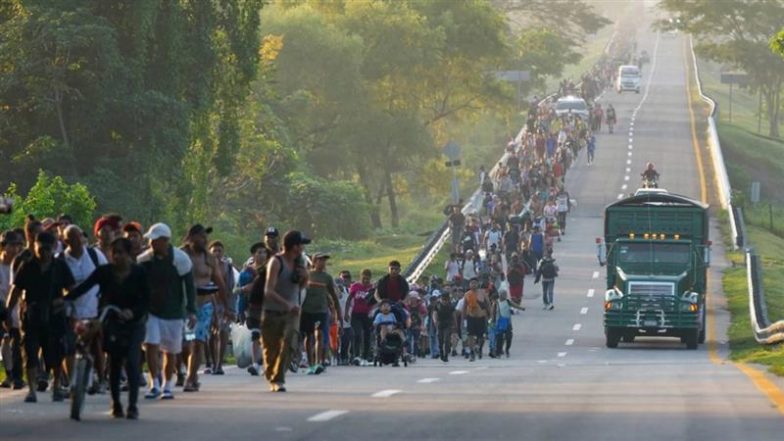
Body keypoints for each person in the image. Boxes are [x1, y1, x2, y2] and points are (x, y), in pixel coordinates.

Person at [65, 238, 150, 419]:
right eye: (114, 252)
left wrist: (132, 313)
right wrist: (64, 299)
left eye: (121, 253)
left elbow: (146, 300)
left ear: (129, 255)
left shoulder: (139, 272)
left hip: (134, 323)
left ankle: (133, 405)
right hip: (110, 319)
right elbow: (84, 287)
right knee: (115, 361)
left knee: (133, 362)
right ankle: (116, 403)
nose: (117, 256)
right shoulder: (104, 272)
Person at [5, 231, 75, 403]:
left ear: (53, 248)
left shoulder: (60, 266)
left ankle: (57, 385)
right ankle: (32, 390)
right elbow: (16, 291)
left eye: (47, 249)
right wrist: (7, 313)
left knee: (56, 353)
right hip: (33, 315)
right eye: (40, 248)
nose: (44, 253)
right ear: (35, 245)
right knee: (30, 352)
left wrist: (64, 302)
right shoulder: (27, 266)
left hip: (55, 315)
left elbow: (71, 289)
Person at [137, 223, 196, 400]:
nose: (151, 244)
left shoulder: (181, 259)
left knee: (170, 351)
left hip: (174, 313)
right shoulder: (144, 260)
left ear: (165, 241)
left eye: (155, 240)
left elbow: (189, 287)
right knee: (151, 345)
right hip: (151, 311)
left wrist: (191, 310)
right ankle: (154, 382)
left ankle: (167, 385)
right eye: (150, 241)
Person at [59, 225, 109, 394]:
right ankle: (73, 382)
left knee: (96, 346)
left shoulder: (95, 256)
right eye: (73, 238)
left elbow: (106, 277)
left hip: (93, 308)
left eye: (80, 236)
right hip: (71, 311)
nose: (78, 240)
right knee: (69, 347)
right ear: (66, 241)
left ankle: (101, 379)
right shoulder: (61, 260)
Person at [180, 224, 228, 391]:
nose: (205, 240)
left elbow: (220, 283)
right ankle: (189, 372)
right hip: (184, 306)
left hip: (204, 305)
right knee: (185, 344)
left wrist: (226, 308)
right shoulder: (181, 255)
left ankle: (190, 378)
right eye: (201, 236)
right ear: (191, 237)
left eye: (205, 237)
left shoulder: (210, 259)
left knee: (198, 342)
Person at [262, 230, 310, 392]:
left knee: (289, 343)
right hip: (272, 311)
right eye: (301, 244)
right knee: (271, 350)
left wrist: (306, 277)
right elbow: (268, 290)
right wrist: (287, 304)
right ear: (294, 246)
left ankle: (279, 379)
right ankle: (272, 373)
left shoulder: (300, 262)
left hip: (292, 313)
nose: (303, 248)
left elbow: (301, 287)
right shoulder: (276, 262)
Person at [300, 252, 341, 375]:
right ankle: (311, 363)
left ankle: (318, 363)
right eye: (320, 260)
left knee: (319, 336)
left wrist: (338, 312)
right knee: (308, 337)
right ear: (314, 261)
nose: (322, 263)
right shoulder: (306, 276)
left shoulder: (327, 277)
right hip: (307, 311)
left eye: (324, 260)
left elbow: (333, 296)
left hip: (321, 311)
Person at [0, 230, 25, 390]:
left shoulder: (20, 266)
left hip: (15, 308)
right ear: (3, 247)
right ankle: (10, 374)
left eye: (19, 245)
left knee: (15, 342)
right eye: (13, 245)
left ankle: (16, 376)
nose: (16, 249)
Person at [239, 242, 268, 376]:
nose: (262, 255)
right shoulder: (246, 272)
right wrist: (241, 310)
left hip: (269, 307)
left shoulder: (272, 269)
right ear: (253, 255)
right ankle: (255, 364)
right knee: (255, 335)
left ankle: (265, 362)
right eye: (259, 252)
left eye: (264, 252)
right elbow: (239, 291)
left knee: (267, 337)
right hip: (253, 308)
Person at [347, 269, 374, 364]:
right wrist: (346, 313)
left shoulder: (372, 288)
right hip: (356, 314)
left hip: (367, 315)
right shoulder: (355, 286)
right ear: (360, 277)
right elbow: (349, 299)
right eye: (364, 278)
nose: (366, 281)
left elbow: (375, 301)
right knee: (357, 334)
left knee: (367, 335)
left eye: (368, 279)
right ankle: (356, 355)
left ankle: (365, 356)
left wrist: (372, 311)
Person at [461, 278, 489, 361]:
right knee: (470, 335)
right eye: (472, 283)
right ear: (469, 285)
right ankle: (472, 352)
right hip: (471, 317)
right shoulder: (467, 294)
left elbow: (488, 305)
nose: (473, 285)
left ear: (478, 284)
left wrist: (490, 316)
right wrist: (463, 319)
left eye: (475, 283)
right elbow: (464, 307)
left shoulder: (483, 293)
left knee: (481, 336)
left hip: (481, 317)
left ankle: (479, 348)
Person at [494, 290, 524, 358]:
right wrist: (492, 320)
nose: (504, 296)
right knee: (499, 338)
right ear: (500, 295)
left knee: (508, 337)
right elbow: (493, 311)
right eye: (503, 294)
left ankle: (507, 349)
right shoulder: (496, 302)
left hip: (507, 322)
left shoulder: (507, 301)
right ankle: (498, 352)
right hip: (499, 322)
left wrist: (521, 308)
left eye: (505, 294)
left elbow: (514, 305)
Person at [431, 290, 455, 362]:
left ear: (448, 299)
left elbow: (454, 316)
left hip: (448, 324)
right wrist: (435, 321)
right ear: (440, 298)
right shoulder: (437, 305)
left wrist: (455, 324)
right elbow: (434, 314)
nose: (444, 301)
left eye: (446, 299)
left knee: (446, 339)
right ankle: (441, 352)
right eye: (443, 299)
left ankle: (446, 355)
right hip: (440, 324)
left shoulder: (451, 306)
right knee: (440, 340)